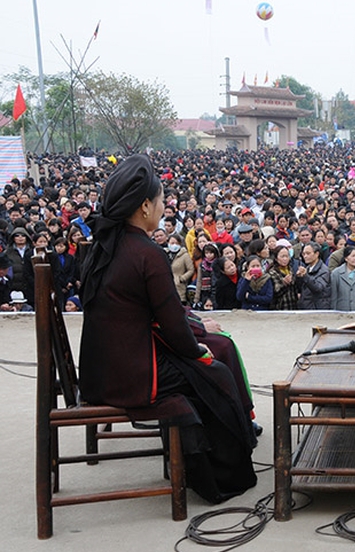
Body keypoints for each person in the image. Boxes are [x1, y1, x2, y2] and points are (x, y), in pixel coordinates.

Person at [77, 154, 256, 504]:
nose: (163, 206)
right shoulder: (147, 253)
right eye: (160, 200)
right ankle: (222, 477)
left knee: (206, 367)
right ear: (145, 206)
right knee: (214, 375)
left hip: (101, 368)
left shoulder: (105, 245)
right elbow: (172, 322)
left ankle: (199, 463)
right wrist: (195, 349)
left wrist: (192, 338)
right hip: (132, 375)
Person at [296, 242, 331, 309]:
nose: (305, 256)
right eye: (304, 254)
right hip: (306, 307)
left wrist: (305, 276)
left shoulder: (324, 270)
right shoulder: (308, 268)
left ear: (317, 254)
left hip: (317, 308)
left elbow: (318, 288)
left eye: (308, 253)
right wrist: (299, 277)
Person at [268, 245, 300, 310]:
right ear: (276, 258)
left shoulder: (291, 269)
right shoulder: (272, 272)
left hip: (293, 305)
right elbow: (275, 293)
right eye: (282, 256)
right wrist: (284, 284)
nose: (285, 259)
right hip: (280, 307)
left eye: (287, 256)